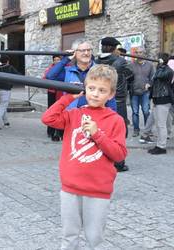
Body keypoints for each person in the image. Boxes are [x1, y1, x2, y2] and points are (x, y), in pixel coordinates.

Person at [42, 64, 127, 250]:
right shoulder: (74, 114)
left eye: (102, 90)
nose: (95, 94)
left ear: (111, 94)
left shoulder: (115, 120)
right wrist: (68, 98)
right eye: (91, 88)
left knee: (94, 237)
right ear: (85, 88)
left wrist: (97, 134)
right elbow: (48, 119)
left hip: (98, 190)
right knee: (69, 235)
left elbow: (119, 154)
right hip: (70, 188)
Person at [95, 37, 134, 172]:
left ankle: (102, 159)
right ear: (113, 48)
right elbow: (131, 74)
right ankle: (118, 162)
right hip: (118, 100)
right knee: (120, 130)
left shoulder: (96, 61)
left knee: (103, 129)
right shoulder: (120, 61)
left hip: (101, 99)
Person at [46, 38, 117, 111]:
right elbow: (50, 76)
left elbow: (110, 98)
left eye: (88, 50)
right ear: (74, 53)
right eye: (82, 50)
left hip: (95, 117)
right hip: (72, 116)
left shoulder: (100, 71)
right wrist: (66, 59)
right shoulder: (68, 71)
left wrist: (111, 116)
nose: (86, 53)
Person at [147, 53, 174, 154]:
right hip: (156, 99)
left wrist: (161, 65)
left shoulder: (168, 70)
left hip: (164, 99)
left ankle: (162, 147)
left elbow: (158, 76)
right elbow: (155, 80)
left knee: (161, 125)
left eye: (157, 59)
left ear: (162, 60)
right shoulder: (160, 68)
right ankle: (159, 145)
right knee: (159, 124)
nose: (156, 60)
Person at [129, 47, 154, 137]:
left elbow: (153, 78)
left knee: (146, 111)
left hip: (145, 92)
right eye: (137, 52)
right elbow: (128, 78)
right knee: (135, 112)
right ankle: (136, 129)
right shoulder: (131, 65)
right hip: (134, 92)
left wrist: (149, 84)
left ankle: (147, 130)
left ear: (144, 53)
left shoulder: (150, 65)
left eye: (141, 52)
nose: (139, 54)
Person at [0, 54, 20, 131]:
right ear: (8, 61)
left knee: (3, 106)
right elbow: (19, 76)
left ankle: (6, 123)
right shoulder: (10, 68)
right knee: (2, 107)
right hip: (6, 90)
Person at [44, 55, 64, 141]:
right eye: (55, 60)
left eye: (58, 60)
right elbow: (45, 78)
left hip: (61, 93)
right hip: (52, 92)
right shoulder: (50, 69)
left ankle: (60, 132)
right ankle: (51, 131)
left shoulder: (65, 68)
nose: (57, 61)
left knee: (60, 112)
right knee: (51, 111)